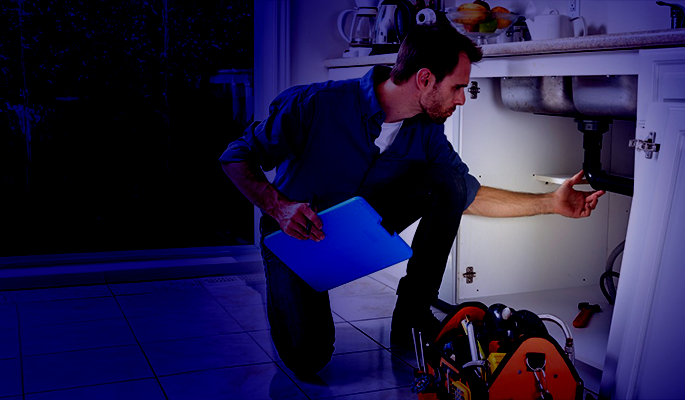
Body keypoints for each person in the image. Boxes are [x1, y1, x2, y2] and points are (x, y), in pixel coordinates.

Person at [219, 22, 605, 378]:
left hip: (358, 225)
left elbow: (468, 195)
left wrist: (550, 202)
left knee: (447, 182)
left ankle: (412, 319)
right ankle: (295, 292)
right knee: (309, 357)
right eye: (457, 87)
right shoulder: (317, 104)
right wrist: (279, 207)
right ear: (424, 79)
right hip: (297, 235)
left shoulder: (426, 134)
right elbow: (235, 157)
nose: (462, 99)